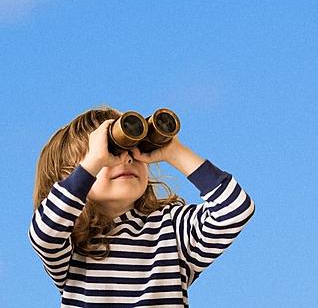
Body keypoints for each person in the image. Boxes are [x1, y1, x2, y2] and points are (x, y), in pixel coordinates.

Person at [30, 107, 255, 307]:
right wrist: (93, 161)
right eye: (112, 152)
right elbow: (45, 235)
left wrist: (174, 152)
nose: (126, 159)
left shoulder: (171, 229)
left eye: (133, 151)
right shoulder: (72, 243)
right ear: (68, 177)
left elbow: (235, 210)